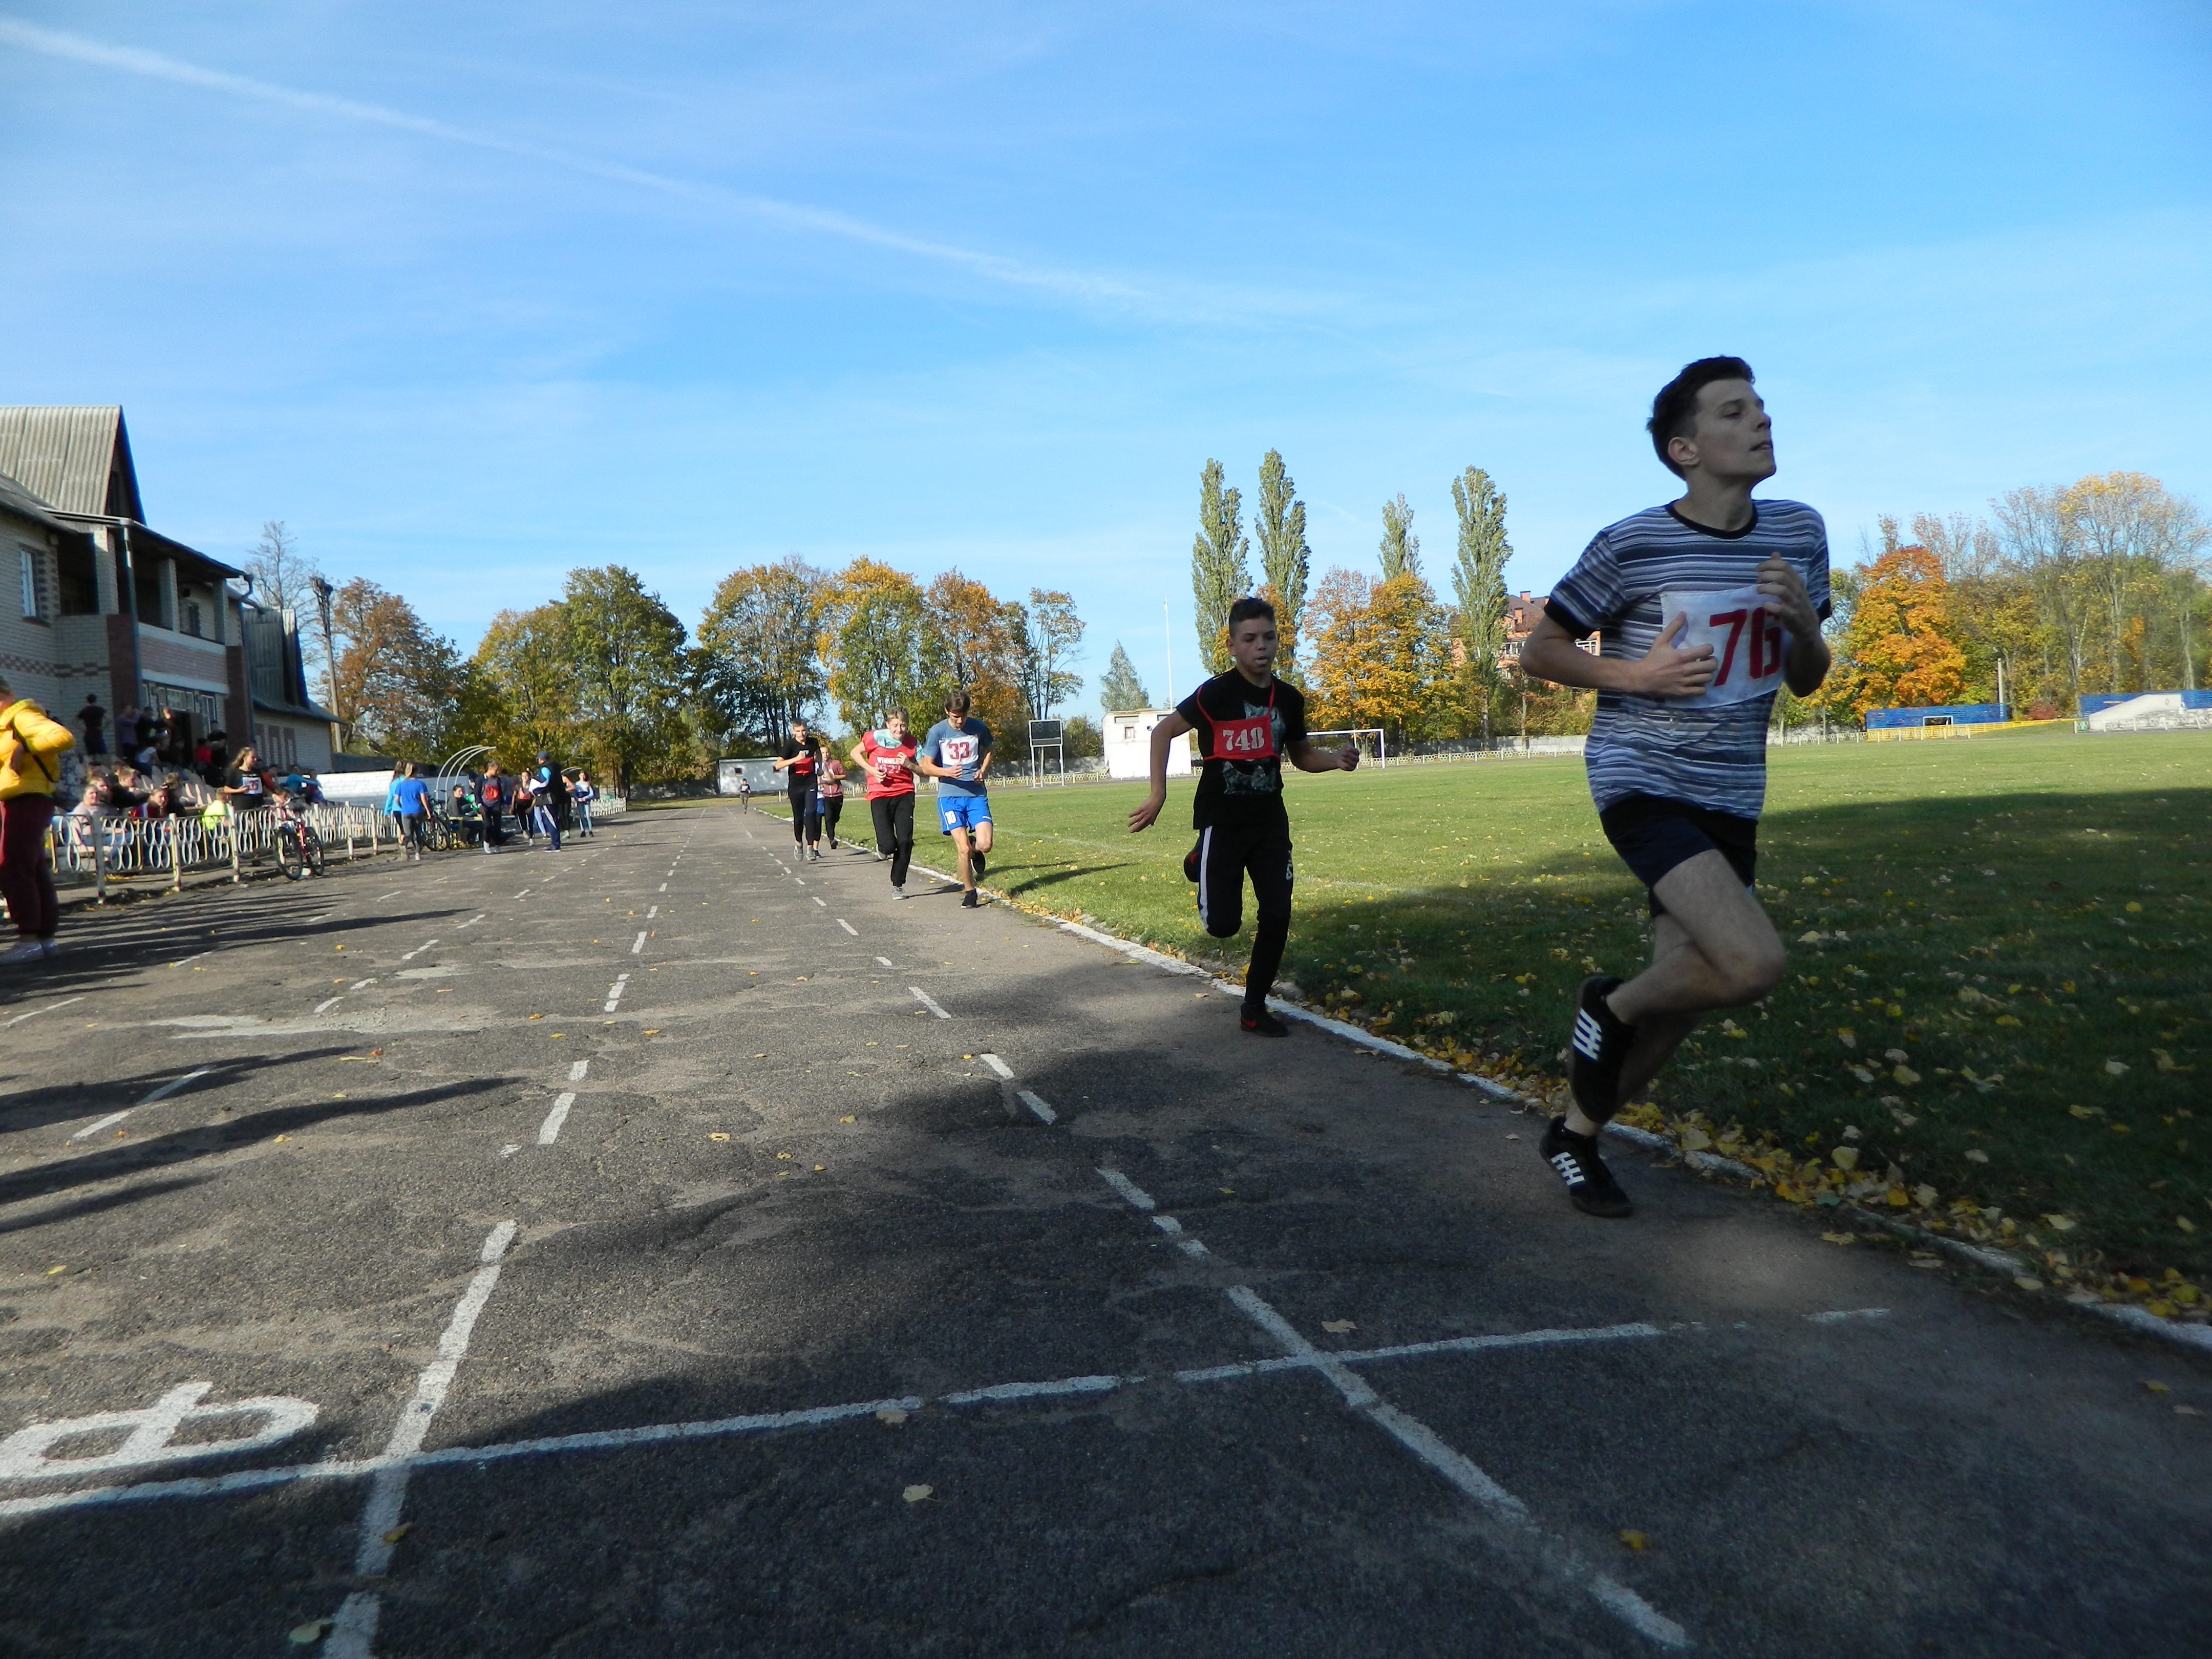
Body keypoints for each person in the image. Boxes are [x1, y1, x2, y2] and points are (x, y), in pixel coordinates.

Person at [1519, 356, 1831, 1219]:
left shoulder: (1799, 533)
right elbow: (1539, 649)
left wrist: (1806, 624)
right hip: (1642, 777)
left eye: (1762, 407)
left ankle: (1576, 1136)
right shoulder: (1633, 543)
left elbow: (1806, 678)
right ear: (1686, 448)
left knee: (1690, 993)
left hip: (1734, 789)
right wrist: (1640, 677)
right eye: (1736, 412)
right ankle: (1606, 1005)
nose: (1761, 422)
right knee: (1751, 963)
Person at [1129, 597, 1358, 1036]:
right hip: (1223, 820)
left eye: (1268, 637)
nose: (1261, 647)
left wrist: (1337, 760)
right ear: (1233, 646)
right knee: (1223, 926)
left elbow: (1303, 756)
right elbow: (1163, 731)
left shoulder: (1289, 700)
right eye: (1250, 639)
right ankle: (1200, 861)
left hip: (1271, 822)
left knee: (1277, 913)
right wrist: (1158, 795)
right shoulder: (1216, 693)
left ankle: (1254, 1007)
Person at [0, 675, 77, 964]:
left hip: (27, 797)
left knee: (13, 866)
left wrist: (26, 747)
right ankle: (44, 938)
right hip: (20, 797)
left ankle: (29, 938)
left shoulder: (22, 716)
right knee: (31, 868)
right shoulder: (8, 723)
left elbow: (63, 737)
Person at [915, 691, 995, 908]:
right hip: (950, 796)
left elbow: (990, 750)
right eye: (955, 717)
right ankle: (970, 891)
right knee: (963, 849)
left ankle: (975, 848)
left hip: (976, 795)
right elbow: (926, 766)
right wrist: (947, 772)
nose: (960, 722)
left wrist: (983, 771)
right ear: (947, 712)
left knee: (985, 844)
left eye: (963, 716)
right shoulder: (938, 732)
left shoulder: (978, 727)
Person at [852, 710, 920, 896]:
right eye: (896, 725)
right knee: (889, 845)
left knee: (906, 841)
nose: (900, 729)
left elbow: (924, 770)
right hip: (879, 793)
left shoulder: (913, 743)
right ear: (888, 725)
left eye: (903, 725)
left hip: (904, 793)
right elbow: (855, 753)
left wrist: (910, 765)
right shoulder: (875, 738)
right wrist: (872, 770)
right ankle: (883, 848)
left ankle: (897, 884)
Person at [774, 718, 823, 861]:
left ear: (807, 730)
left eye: (804, 731)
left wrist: (819, 768)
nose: (802, 734)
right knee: (799, 817)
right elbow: (778, 765)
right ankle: (798, 843)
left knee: (812, 813)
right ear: (793, 732)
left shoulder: (813, 742)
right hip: (796, 784)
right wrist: (796, 759)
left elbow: (818, 754)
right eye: (799, 731)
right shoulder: (790, 745)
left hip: (810, 782)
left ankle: (811, 848)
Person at [392, 761, 432, 862]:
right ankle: (418, 854)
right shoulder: (420, 784)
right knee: (418, 832)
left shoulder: (401, 785)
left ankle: (403, 845)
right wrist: (428, 811)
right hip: (417, 810)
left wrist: (402, 806)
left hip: (405, 812)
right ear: (417, 772)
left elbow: (396, 800)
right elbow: (424, 799)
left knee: (408, 833)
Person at [222, 745, 274, 813]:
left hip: (258, 806)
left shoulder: (257, 771)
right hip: (243, 807)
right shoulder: (235, 772)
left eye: (255, 758)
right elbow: (226, 789)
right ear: (245, 758)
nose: (255, 760)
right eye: (252, 758)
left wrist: (273, 795)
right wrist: (239, 790)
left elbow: (263, 787)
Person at [530, 751, 565, 851]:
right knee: (554, 820)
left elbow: (545, 782)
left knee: (551, 821)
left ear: (541, 759)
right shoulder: (555, 768)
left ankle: (555, 844)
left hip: (549, 798)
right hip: (557, 796)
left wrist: (536, 790)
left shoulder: (545, 768)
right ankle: (556, 843)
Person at [477, 761, 512, 853]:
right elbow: (477, 793)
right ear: (490, 769)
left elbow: (500, 793)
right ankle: (487, 842)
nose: (497, 772)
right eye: (495, 770)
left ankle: (497, 845)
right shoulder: (481, 779)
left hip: (496, 804)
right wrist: (479, 804)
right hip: (485, 805)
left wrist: (503, 804)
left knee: (498, 826)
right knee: (488, 826)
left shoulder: (497, 780)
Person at [816, 752, 848, 850]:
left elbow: (844, 775)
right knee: (828, 818)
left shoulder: (836, 763)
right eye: (822, 753)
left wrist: (834, 777)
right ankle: (832, 839)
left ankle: (833, 824)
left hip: (837, 794)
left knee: (835, 818)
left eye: (826, 752)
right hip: (824, 796)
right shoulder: (817, 765)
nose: (825, 754)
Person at [569, 770, 596, 838]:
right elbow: (574, 793)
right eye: (581, 775)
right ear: (579, 776)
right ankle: (583, 831)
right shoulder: (576, 784)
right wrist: (578, 798)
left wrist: (586, 798)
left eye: (584, 776)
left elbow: (592, 793)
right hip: (580, 801)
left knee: (588, 816)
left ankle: (590, 830)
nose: (583, 777)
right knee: (581, 817)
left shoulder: (588, 784)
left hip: (586, 801)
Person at [78, 695, 107, 759]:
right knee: (104, 754)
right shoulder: (99, 710)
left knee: (91, 755)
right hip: (97, 734)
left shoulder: (85, 711)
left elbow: (74, 722)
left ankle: (91, 769)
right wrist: (103, 728)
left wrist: (83, 729)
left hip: (88, 734)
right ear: (96, 700)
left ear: (88, 701)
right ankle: (107, 769)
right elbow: (109, 719)